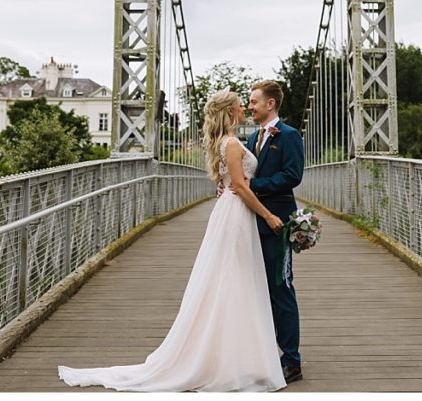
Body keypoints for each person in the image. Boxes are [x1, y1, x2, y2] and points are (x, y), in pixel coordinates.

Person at [57, 89, 286, 392]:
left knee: (232, 281)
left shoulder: (227, 142)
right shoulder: (231, 144)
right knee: (234, 281)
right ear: (230, 112)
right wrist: (269, 216)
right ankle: (231, 359)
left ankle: (235, 355)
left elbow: (228, 184)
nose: (244, 108)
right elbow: (241, 189)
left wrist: (232, 188)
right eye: (239, 106)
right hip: (236, 215)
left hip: (232, 214)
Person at [243, 79, 305, 384]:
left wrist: (252, 186)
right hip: (250, 223)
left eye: (254, 101)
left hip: (277, 223)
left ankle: (292, 361)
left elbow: (292, 175)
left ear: (271, 104)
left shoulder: (290, 136)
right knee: (257, 291)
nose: (250, 106)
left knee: (281, 290)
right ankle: (266, 353)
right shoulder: (252, 137)